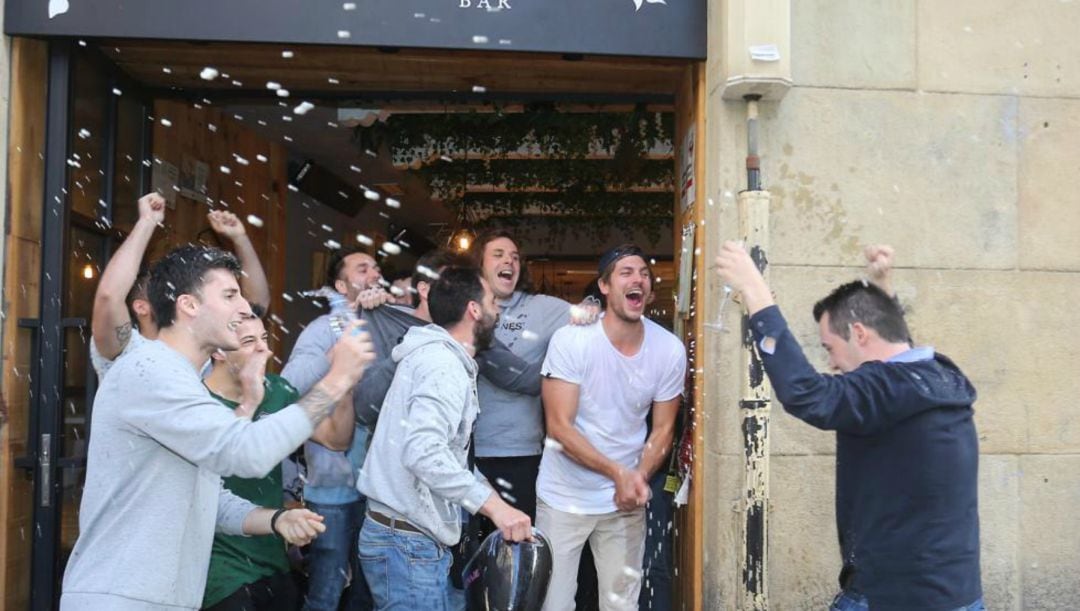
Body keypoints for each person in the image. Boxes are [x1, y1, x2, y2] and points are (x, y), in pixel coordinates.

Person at [60, 245, 376, 611]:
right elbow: (246, 453)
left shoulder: (184, 379)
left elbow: (209, 495)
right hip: (121, 598)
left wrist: (275, 519)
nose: (244, 307)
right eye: (230, 295)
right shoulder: (151, 371)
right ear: (188, 306)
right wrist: (337, 380)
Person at [713, 242, 983, 611]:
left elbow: (805, 394)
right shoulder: (939, 376)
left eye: (829, 347)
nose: (833, 363)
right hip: (957, 595)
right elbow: (897, 354)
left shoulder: (888, 390)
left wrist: (754, 290)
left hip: (893, 599)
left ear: (858, 333)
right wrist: (882, 288)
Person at [358, 266, 534, 610]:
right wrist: (495, 508)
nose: (497, 311)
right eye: (492, 302)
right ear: (474, 310)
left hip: (408, 540)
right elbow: (424, 453)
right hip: (406, 545)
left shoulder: (438, 357)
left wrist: (493, 498)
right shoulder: (442, 365)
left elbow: (448, 455)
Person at [537, 245, 687, 611]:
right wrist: (619, 473)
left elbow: (663, 430)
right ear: (604, 287)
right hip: (564, 498)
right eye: (625, 272)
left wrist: (638, 477)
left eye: (644, 274)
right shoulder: (572, 340)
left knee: (621, 606)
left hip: (624, 503)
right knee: (553, 604)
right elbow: (559, 427)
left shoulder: (668, 349)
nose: (638, 279)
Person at [201, 313, 356, 611]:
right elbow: (225, 457)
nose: (264, 350)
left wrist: (345, 383)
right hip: (219, 566)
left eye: (264, 339)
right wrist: (249, 402)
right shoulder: (197, 400)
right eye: (249, 341)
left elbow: (336, 439)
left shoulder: (278, 390)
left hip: (273, 552)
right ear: (218, 351)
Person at [281, 246, 384, 611]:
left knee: (366, 593)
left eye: (375, 267)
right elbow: (289, 384)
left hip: (379, 487)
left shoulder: (388, 327)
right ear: (341, 286)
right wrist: (340, 353)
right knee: (326, 591)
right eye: (362, 269)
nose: (373, 274)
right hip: (332, 486)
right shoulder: (321, 330)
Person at [90, 192, 270, 377]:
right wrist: (147, 221)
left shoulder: (201, 343)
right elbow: (109, 296)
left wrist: (240, 238)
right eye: (164, 290)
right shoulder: (126, 348)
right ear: (141, 307)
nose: (176, 295)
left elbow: (256, 306)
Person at [468, 230, 572, 524]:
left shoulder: (540, 307)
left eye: (514, 257)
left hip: (524, 453)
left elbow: (591, 315)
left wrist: (590, 303)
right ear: (479, 265)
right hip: (471, 452)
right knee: (473, 554)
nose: (509, 262)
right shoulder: (465, 309)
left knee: (518, 547)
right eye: (498, 255)